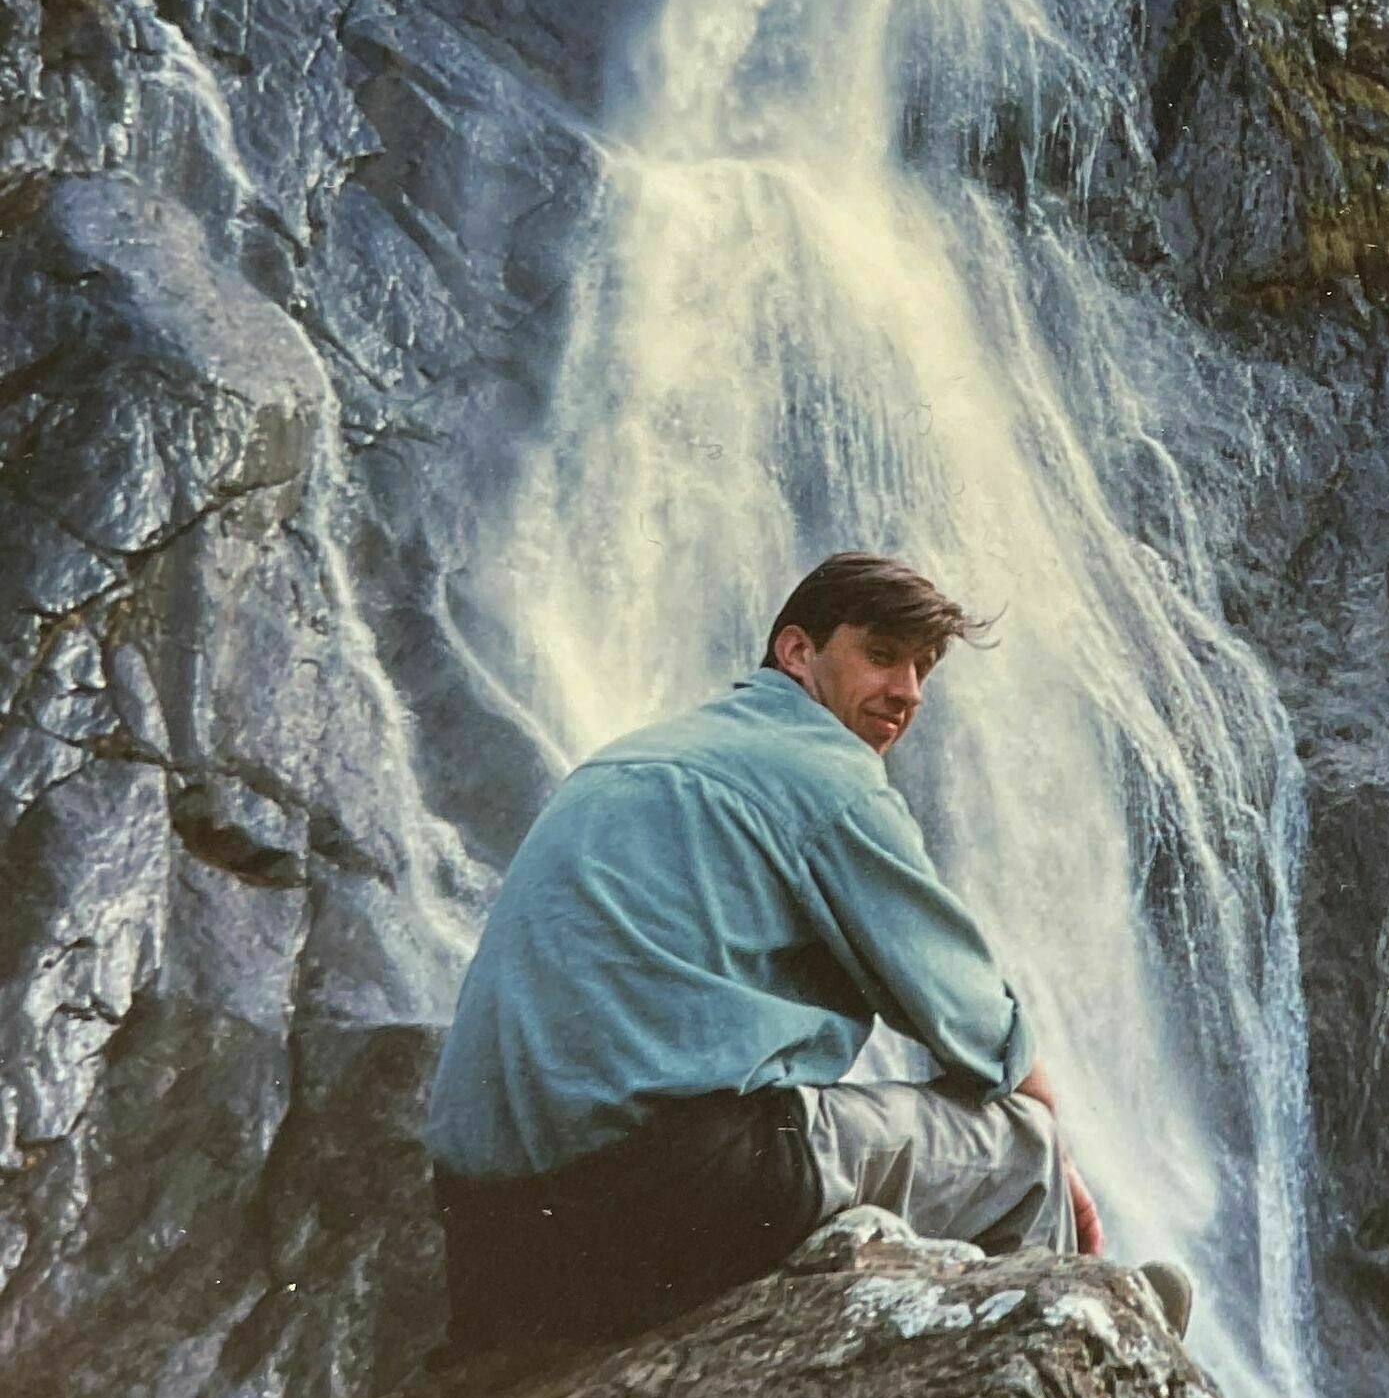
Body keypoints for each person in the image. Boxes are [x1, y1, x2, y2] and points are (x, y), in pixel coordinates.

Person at [427, 550, 1153, 1353]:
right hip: (670, 1190)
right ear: (797, 651)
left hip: (492, 1235)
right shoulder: (826, 775)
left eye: (922, 667)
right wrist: (1057, 1163)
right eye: (881, 655)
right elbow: (974, 1017)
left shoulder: (635, 755)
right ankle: (1082, 1346)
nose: (907, 691)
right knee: (1021, 1147)